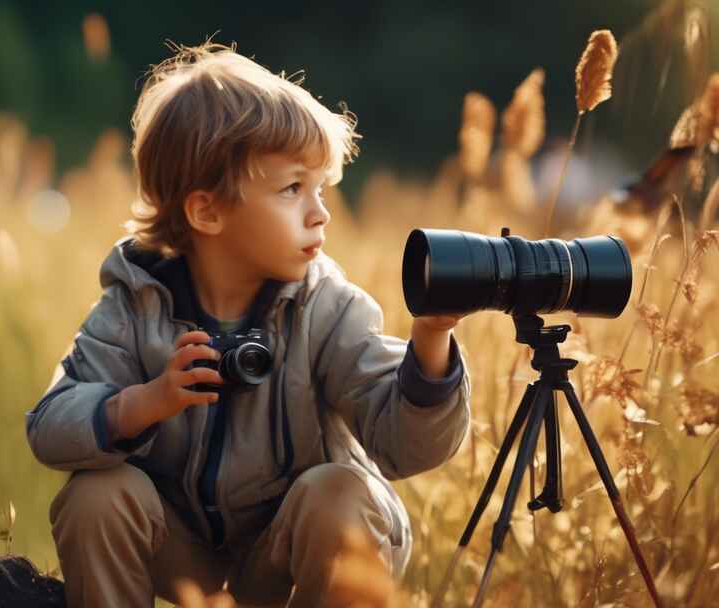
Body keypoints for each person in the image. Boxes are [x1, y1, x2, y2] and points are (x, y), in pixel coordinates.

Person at [25, 42, 471, 608]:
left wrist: (431, 344)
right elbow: (47, 426)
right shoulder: (135, 306)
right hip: (180, 548)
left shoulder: (327, 307)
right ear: (206, 211)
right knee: (95, 495)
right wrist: (145, 402)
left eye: (320, 188)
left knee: (338, 492)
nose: (321, 212)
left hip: (286, 551)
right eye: (292, 189)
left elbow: (403, 448)